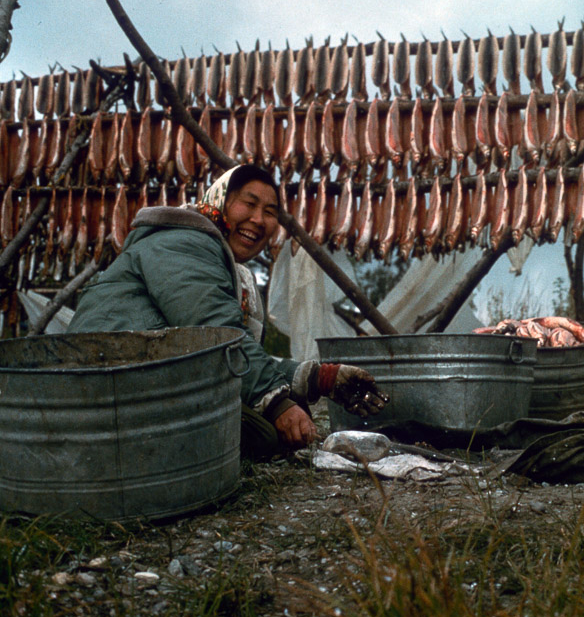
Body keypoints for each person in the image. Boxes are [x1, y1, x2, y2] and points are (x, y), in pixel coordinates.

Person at [68, 164, 388, 458]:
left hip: (133, 380)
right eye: (249, 204)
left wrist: (321, 378)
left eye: (270, 212)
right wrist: (276, 403)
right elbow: (217, 332)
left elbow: (236, 352)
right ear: (219, 201)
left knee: (263, 421)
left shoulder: (218, 262)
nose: (258, 219)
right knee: (261, 434)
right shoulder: (184, 242)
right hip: (104, 387)